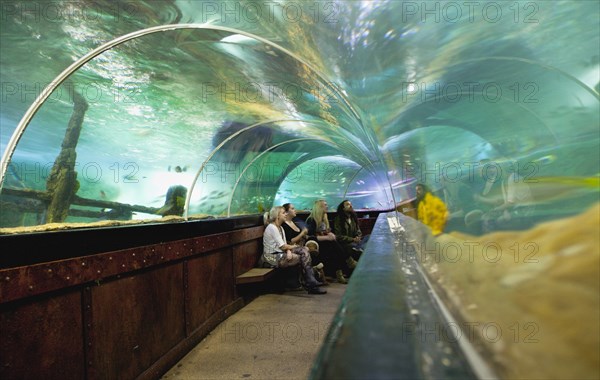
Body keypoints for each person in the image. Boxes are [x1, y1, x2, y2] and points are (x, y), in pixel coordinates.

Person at [261, 206, 326, 294]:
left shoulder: (280, 228)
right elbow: (283, 246)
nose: (286, 214)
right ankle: (311, 282)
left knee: (304, 251)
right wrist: (292, 248)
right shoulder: (272, 227)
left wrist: (289, 251)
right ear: (277, 216)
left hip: (280, 253)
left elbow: (284, 245)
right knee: (303, 255)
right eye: (283, 213)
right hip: (270, 257)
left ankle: (310, 282)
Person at [305, 199, 355, 284]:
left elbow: (324, 232)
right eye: (325, 205)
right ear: (319, 207)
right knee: (334, 244)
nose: (327, 206)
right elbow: (310, 237)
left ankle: (340, 272)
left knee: (335, 245)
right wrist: (327, 237)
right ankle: (348, 262)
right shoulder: (312, 219)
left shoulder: (324, 218)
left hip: (325, 243)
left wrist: (329, 234)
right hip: (316, 244)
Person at [282, 203, 328, 285]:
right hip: (293, 247)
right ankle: (312, 277)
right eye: (292, 208)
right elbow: (291, 241)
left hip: (301, 244)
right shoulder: (284, 225)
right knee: (307, 251)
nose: (294, 210)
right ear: (286, 212)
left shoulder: (294, 222)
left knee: (323, 245)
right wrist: (302, 233)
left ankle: (315, 275)